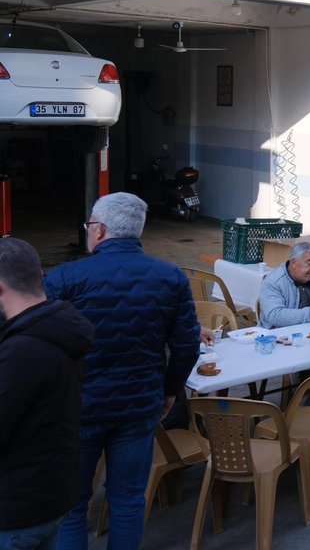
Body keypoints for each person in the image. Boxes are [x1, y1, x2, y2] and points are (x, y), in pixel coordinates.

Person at [43, 193, 199, 550]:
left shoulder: (66, 277)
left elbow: (41, 343)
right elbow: (187, 345)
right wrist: (169, 390)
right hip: (139, 404)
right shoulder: (171, 277)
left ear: (98, 230)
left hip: (79, 407)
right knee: (128, 500)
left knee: (71, 505)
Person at [0, 239, 93, 550]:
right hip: (53, 495)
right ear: (40, 274)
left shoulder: (21, 352)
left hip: (17, 510)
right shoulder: (60, 327)